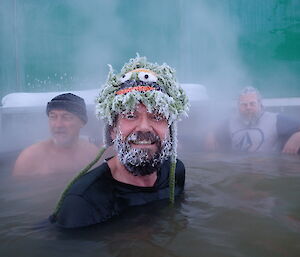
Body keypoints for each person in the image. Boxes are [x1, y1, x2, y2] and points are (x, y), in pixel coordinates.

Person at [49, 55, 189, 228]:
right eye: (130, 115)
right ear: (113, 130)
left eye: (157, 116)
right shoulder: (83, 203)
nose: (144, 127)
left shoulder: (175, 173)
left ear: (169, 128)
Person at [13, 93, 100, 176]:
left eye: (67, 117)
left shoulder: (92, 154)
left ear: (82, 122)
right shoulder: (30, 158)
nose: (58, 125)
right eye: (53, 117)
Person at [204, 86, 300, 154]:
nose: (248, 107)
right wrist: (210, 133)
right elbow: (212, 125)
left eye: (252, 104)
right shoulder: (231, 122)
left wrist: (298, 135)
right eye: (244, 104)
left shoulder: (275, 120)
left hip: (265, 172)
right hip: (239, 173)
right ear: (238, 107)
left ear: (260, 104)